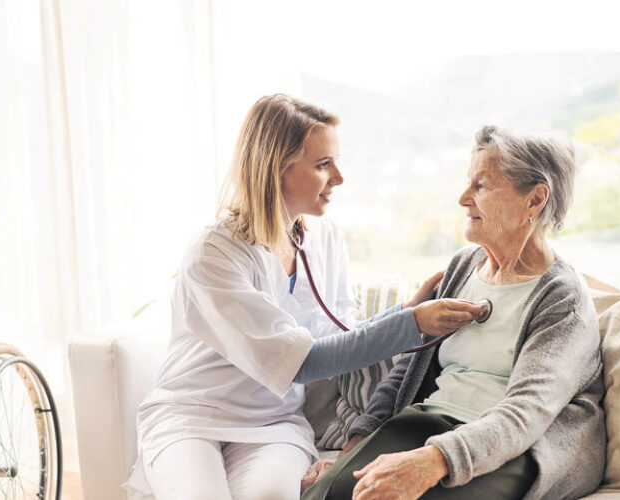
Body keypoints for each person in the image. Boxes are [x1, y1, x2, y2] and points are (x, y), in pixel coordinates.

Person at [123, 94, 482, 500]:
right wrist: (412, 324)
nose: (339, 178)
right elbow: (304, 362)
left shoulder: (324, 239)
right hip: (192, 417)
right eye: (323, 164)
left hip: (272, 423)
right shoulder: (214, 253)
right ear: (275, 167)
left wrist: (405, 310)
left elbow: (337, 340)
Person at [302, 125, 606, 500]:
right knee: (327, 493)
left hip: (517, 448)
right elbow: (405, 373)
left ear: (535, 199)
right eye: (468, 183)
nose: (464, 199)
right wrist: (349, 455)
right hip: (428, 424)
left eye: (482, 185)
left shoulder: (562, 297)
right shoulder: (464, 267)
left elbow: (527, 411)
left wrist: (432, 461)